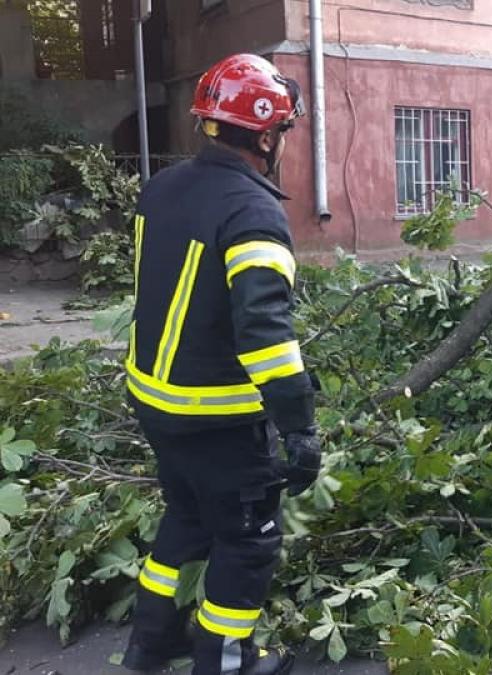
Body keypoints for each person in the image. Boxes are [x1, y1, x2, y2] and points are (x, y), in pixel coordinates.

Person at [121, 54, 320, 675]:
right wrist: (299, 428)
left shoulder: (161, 189)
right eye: (282, 132)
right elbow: (265, 335)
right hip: (217, 417)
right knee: (248, 540)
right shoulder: (253, 212)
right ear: (265, 135)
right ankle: (227, 661)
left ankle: (150, 644)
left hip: (155, 402)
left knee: (185, 518)